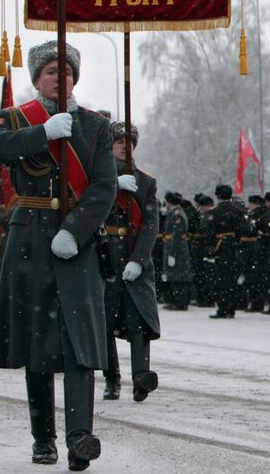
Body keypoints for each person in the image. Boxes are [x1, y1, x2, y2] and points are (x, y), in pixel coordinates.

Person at [0, 41, 117, 470]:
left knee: (81, 341)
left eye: (68, 71)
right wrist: (42, 134)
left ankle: (80, 435)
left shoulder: (95, 126)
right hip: (30, 237)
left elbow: (103, 187)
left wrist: (76, 232)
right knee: (37, 339)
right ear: (38, 77)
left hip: (75, 242)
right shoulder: (17, 119)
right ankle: (44, 438)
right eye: (53, 70)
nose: (61, 77)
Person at [100, 122, 160, 403]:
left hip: (134, 254)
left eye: (130, 141)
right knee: (105, 322)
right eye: (119, 141)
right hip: (106, 255)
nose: (125, 146)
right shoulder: (97, 179)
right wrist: (112, 186)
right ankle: (112, 379)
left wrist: (139, 259)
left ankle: (141, 377)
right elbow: (89, 207)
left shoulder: (146, 182)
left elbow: (150, 225)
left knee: (138, 322)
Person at [208, 184, 246, 319]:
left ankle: (223, 308)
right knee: (232, 279)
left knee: (221, 279)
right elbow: (243, 229)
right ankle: (231, 307)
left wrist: (210, 249)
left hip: (221, 247)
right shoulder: (237, 210)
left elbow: (209, 231)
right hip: (234, 247)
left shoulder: (215, 211)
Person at [159, 192, 193, 311]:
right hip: (174, 247)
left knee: (180, 276)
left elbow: (177, 235)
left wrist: (172, 253)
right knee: (174, 275)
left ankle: (180, 302)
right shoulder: (174, 213)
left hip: (177, 249)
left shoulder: (177, 215)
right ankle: (176, 300)